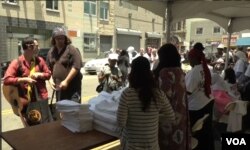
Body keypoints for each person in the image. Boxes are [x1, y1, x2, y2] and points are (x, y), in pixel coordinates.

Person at [117, 56, 175, 150]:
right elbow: (171, 117)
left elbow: (121, 123)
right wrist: (154, 117)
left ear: (133, 73)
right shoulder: (159, 93)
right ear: (149, 72)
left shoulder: (127, 94)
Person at [3, 37, 51, 125]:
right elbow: (6, 80)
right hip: (26, 102)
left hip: (41, 98)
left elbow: (48, 74)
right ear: (29, 47)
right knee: (31, 128)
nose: (39, 48)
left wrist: (39, 74)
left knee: (45, 125)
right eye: (37, 46)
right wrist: (24, 79)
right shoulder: (17, 62)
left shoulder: (39, 60)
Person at [153, 43, 191, 150]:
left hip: (169, 119)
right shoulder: (179, 71)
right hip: (181, 115)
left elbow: (163, 98)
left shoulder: (165, 73)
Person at [185, 47, 214, 150]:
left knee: (198, 133)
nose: (188, 60)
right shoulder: (203, 67)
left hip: (197, 107)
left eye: (189, 58)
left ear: (193, 58)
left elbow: (188, 91)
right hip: (207, 101)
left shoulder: (194, 72)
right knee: (206, 132)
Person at [47, 27, 83, 103]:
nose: (60, 40)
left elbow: (76, 66)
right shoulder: (51, 52)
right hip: (59, 87)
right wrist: (50, 80)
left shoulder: (72, 49)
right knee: (61, 110)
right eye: (58, 38)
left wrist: (66, 81)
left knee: (73, 110)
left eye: (62, 38)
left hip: (72, 87)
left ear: (65, 38)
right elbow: (48, 68)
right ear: (54, 39)